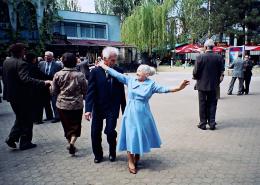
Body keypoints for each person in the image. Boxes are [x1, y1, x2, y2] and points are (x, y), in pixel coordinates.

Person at [98, 62, 189, 174]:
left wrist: (180, 87)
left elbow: (165, 89)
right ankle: (130, 161)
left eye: (140, 71)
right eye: (137, 70)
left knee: (139, 135)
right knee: (131, 135)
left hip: (143, 114)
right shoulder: (130, 80)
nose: (137, 73)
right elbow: (116, 74)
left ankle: (137, 154)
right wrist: (104, 66)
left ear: (146, 74)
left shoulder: (151, 84)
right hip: (131, 113)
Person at [3, 43, 51, 150]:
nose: (25, 52)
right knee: (27, 119)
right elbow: (25, 79)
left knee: (20, 117)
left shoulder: (7, 61)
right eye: (24, 50)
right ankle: (25, 142)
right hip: (22, 96)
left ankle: (12, 138)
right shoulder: (21, 63)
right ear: (20, 51)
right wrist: (43, 83)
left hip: (11, 96)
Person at [85, 47, 126, 163]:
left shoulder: (119, 71)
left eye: (115, 60)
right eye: (112, 60)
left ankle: (112, 152)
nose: (114, 62)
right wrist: (88, 109)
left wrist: (124, 109)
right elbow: (90, 91)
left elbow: (121, 92)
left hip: (112, 107)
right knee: (95, 132)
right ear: (104, 59)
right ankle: (98, 155)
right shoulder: (95, 72)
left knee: (109, 131)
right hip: (98, 107)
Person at [50, 53, 87, 155]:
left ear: (63, 62)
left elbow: (53, 91)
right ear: (75, 62)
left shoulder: (58, 75)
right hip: (76, 104)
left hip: (62, 104)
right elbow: (85, 90)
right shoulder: (80, 75)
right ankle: (72, 143)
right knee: (76, 125)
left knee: (66, 125)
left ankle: (70, 143)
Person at [193, 39, 223, 130]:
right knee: (213, 104)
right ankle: (212, 123)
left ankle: (202, 123)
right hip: (214, 85)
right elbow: (221, 72)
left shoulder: (200, 57)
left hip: (201, 85)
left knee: (202, 104)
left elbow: (195, 72)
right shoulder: (219, 57)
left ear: (205, 47)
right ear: (213, 47)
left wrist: (197, 78)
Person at [39, 51, 63, 123]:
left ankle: (57, 117)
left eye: (48, 56)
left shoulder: (57, 66)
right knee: (46, 102)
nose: (46, 57)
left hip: (54, 86)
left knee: (54, 101)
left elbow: (60, 76)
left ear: (52, 57)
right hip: (44, 85)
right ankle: (49, 116)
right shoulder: (41, 64)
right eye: (45, 55)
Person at [25, 53, 47, 124]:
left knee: (32, 105)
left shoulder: (24, 66)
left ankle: (33, 119)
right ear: (33, 59)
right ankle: (38, 120)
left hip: (28, 89)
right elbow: (42, 75)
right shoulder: (34, 67)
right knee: (39, 105)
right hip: (37, 89)